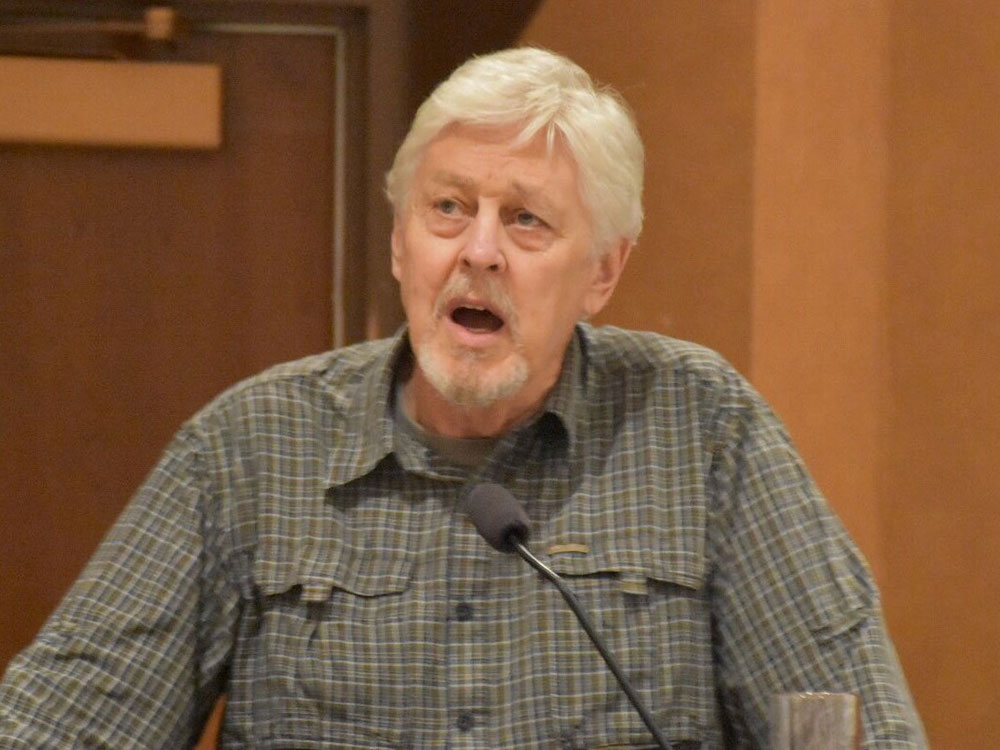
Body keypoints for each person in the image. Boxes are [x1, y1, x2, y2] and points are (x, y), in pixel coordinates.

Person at [0, 47, 926, 749]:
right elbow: (55, 729)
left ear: (603, 271)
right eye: (448, 209)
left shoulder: (702, 431)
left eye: (525, 219)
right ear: (402, 245)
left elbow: (853, 723)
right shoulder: (249, 449)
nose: (478, 250)